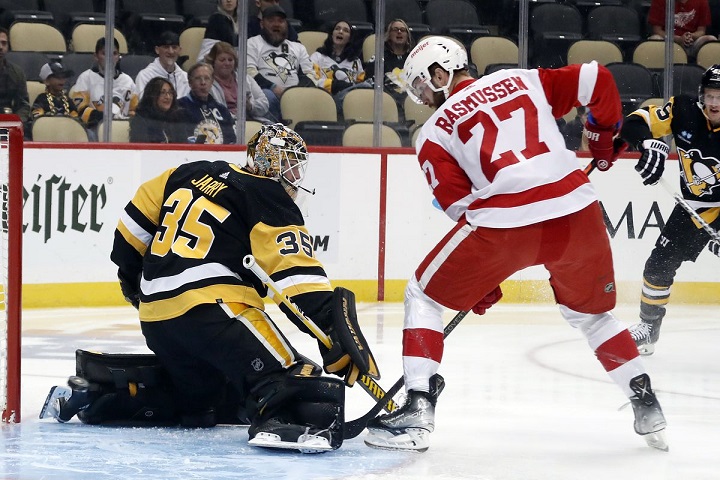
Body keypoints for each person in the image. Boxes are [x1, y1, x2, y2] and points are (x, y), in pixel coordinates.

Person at [363, 36, 668, 453]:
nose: (421, 97)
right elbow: (598, 79)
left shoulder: (432, 132)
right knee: (592, 316)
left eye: (421, 85)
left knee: (423, 294)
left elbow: (461, 207)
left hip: (506, 224)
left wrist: (483, 276)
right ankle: (645, 402)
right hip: (578, 212)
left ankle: (418, 406)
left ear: (440, 72)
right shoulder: (520, 79)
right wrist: (598, 140)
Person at [103, 123, 375, 451]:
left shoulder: (185, 172)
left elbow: (128, 235)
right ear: (272, 164)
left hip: (156, 319)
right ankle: (279, 420)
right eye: (289, 164)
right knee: (295, 377)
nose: (293, 175)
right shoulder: (266, 193)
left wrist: (134, 285)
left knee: (207, 398)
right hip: (216, 312)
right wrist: (333, 327)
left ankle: (113, 395)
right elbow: (297, 276)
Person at [620, 64, 720, 356]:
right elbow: (633, 122)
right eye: (710, 95)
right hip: (691, 209)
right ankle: (648, 327)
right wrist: (647, 143)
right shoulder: (684, 111)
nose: (714, 103)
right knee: (658, 264)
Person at [247, 5, 315, 123]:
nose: (276, 24)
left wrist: (295, 92)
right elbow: (249, 71)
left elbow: (309, 74)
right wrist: (273, 87)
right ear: (262, 24)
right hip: (266, 93)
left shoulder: (298, 47)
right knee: (268, 96)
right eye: (271, 20)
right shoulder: (253, 43)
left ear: (286, 25)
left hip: (295, 96)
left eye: (280, 21)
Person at [70, 37, 139, 138]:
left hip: (122, 132)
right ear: (96, 56)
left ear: (119, 56)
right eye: (105, 54)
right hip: (94, 131)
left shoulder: (127, 81)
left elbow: (135, 110)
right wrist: (107, 118)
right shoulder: (86, 78)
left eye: (114, 54)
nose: (110, 58)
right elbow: (80, 110)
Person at [310, 20, 369, 112]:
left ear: (350, 38)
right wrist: (333, 85)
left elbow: (360, 84)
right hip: (325, 100)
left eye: (345, 30)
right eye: (337, 29)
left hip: (350, 102)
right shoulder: (317, 56)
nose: (340, 32)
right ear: (332, 34)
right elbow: (312, 81)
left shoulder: (355, 62)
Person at [204, 41, 270, 122]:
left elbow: (265, 104)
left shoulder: (245, 78)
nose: (227, 63)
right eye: (222, 60)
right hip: (225, 126)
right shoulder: (206, 83)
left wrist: (250, 106)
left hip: (253, 121)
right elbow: (213, 113)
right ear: (213, 62)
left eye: (230, 60)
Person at [177, 62, 236, 144]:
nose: (203, 83)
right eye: (198, 78)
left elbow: (231, 140)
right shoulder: (180, 107)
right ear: (190, 83)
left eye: (207, 78)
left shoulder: (222, 110)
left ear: (212, 82)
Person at [364, 19, 415, 105]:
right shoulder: (379, 58)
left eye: (403, 30)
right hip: (387, 101)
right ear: (389, 35)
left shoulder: (413, 58)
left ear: (407, 36)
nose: (399, 32)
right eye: (395, 29)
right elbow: (369, 81)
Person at [647, 0, 717, 59]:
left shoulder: (702, 1)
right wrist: (678, 39)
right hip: (668, 43)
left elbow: (701, 31)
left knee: (711, 40)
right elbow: (657, 30)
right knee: (655, 39)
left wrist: (690, 36)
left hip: (691, 42)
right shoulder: (659, 1)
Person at [27, 61, 80, 137]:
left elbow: (76, 119)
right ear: (47, 81)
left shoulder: (68, 100)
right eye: (58, 77)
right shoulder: (41, 99)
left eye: (64, 77)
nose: (62, 80)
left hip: (68, 134)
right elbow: (37, 121)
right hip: (47, 134)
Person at [134, 31, 190, 101]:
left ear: (180, 50)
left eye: (174, 47)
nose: (171, 51)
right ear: (157, 50)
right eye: (166, 47)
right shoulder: (145, 76)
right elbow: (143, 106)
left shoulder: (186, 78)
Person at [129, 77, 186, 143]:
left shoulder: (177, 118)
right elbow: (141, 149)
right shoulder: (141, 119)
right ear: (152, 96)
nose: (168, 97)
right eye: (162, 93)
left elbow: (184, 146)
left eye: (170, 93)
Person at [0, 27, 30, 124]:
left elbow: (23, 105)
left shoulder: (17, 72)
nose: (0, 47)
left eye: (4, 43)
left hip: (9, 122)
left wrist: (16, 121)